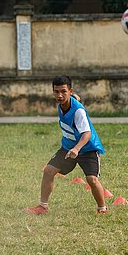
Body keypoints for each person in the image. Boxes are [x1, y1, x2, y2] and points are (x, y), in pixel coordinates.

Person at [24, 75, 107, 215]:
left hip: (86, 148)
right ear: (53, 92)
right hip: (68, 148)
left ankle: (102, 209)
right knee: (48, 171)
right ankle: (42, 207)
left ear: (70, 91)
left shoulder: (78, 111)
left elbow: (86, 133)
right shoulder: (66, 101)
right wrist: (72, 149)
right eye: (56, 92)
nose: (60, 95)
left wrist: (77, 148)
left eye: (63, 91)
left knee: (92, 179)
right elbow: (75, 97)